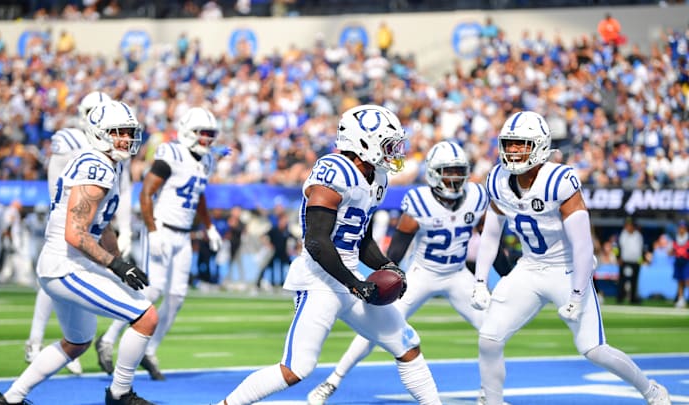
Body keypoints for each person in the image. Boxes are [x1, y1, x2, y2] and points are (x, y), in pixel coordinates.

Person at [219, 104, 441, 405]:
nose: (393, 151)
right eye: (387, 143)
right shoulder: (334, 171)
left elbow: (361, 239)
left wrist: (388, 266)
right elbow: (317, 241)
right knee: (296, 369)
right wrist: (355, 283)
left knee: (407, 343)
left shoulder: (376, 178)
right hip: (319, 280)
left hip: (349, 278)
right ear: (363, 143)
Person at [469, 110, 670, 405]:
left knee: (594, 349)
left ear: (539, 146)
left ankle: (652, 391)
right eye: (509, 143)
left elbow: (582, 245)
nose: (512, 150)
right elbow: (490, 234)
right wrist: (479, 281)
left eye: (520, 143)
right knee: (489, 338)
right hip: (530, 267)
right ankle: (492, 401)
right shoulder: (497, 179)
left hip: (566, 269)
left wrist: (577, 293)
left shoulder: (559, 180)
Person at [307, 140, 511, 404]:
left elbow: (492, 241)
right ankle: (332, 381)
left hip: (458, 274)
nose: (454, 177)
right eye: (447, 171)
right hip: (422, 273)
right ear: (434, 173)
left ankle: (489, 395)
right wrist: (390, 277)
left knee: (493, 330)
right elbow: (397, 250)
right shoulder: (419, 201)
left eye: (458, 170)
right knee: (376, 328)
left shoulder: (477, 197)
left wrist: (508, 277)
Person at [0, 100, 157, 405]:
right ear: (99, 134)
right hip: (66, 265)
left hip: (65, 263)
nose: (125, 138)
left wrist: (117, 261)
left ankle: (11, 398)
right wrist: (117, 266)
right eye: (118, 132)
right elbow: (75, 233)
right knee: (146, 317)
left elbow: (101, 224)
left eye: (128, 131)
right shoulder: (96, 166)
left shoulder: (107, 162)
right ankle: (120, 393)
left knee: (77, 341)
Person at [95, 107, 223, 380]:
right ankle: (108, 339)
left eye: (212, 135)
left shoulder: (207, 161)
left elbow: (198, 196)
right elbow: (147, 193)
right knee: (152, 291)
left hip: (184, 234)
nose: (208, 140)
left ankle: (150, 350)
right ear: (189, 132)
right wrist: (152, 231)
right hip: (162, 229)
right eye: (204, 134)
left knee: (176, 297)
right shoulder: (171, 154)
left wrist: (209, 226)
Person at [24, 91, 130, 375]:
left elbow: (123, 187)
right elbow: (57, 179)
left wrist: (123, 232)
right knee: (53, 280)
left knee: (66, 288)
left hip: (93, 223)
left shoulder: (117, 145)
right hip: (69, 222)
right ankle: (35, 341)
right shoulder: (71, 140)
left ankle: (74, 342)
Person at [617, 217, 644, 304]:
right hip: (625, 261)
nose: (628, 227)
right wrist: (618, 257)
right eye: (627, 225)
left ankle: (633, 298)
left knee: (634, 281)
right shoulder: (623, 234)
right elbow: (618, 247)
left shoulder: (638, 236)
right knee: (622, 280)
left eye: (630, 225)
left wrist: (641, 259)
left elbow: (641, 248)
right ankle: (620, 298)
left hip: (635, 262)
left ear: (633, 226)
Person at [670, 220, 689, 308]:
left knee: (687, 281)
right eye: (680, 227)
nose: (681, 229)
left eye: (683, 227)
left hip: (687, 262)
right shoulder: (675, 238)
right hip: (678, 262)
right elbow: (670, 252)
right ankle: (681, 299)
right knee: (680, 281)